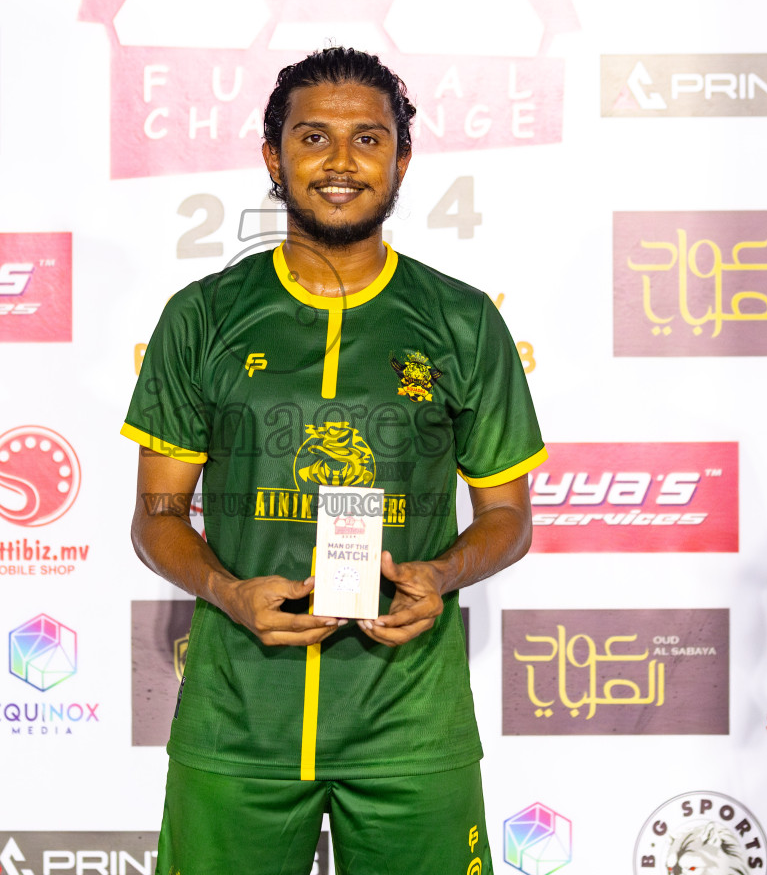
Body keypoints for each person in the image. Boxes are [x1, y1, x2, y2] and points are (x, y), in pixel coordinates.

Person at [123, 47, 546, 875]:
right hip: (240, 714)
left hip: (408, 719)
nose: (343, 162)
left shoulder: (462, 322)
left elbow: (508, 517)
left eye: (369, 139)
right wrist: (228, 592)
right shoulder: (203, 316)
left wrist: (444, 575)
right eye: (314, 138)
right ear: (274, 157)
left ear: (403, 159)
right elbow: (159, 516)